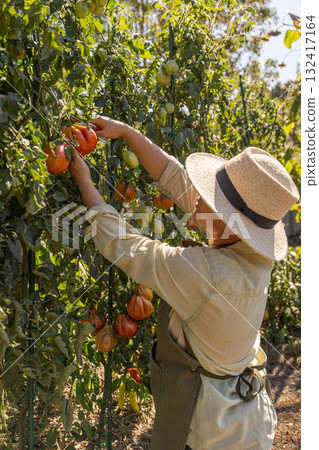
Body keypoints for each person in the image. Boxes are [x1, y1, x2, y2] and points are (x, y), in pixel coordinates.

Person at [69, 116, 300, 450]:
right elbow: (177, 180)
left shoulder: (205, 275)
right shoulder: (252, 251)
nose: (197, 197)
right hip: (251, 419)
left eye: (210, 198)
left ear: (231, 223)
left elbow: (127, 248)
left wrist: (85, 182)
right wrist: (128, 133)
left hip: (212, 430)